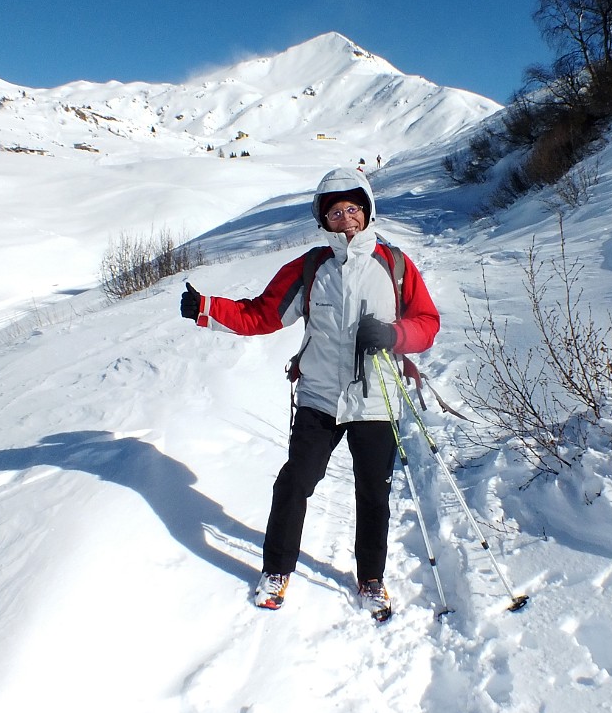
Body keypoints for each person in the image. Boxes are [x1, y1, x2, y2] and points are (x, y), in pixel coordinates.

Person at [179, 167, 440, 617]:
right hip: (320, 397)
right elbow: (262, 315)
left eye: (353, 208)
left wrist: (394, 335)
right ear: (323, 219)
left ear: (367, 209)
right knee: (294, 483)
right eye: (335, 211)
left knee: (374, 494)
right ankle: (277, 569)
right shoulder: (310, 268)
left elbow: (427, 324)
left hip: (376, 399)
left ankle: (371, 579)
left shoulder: (395, 264)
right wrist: (206, 307)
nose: (346, 218)